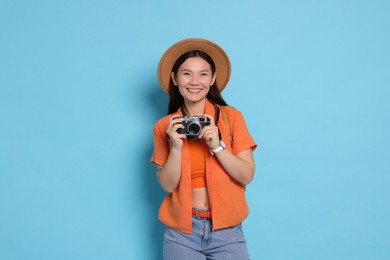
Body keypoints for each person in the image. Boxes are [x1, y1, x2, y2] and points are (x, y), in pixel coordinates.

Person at [151, 38, 257, 260]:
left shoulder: (232, 118)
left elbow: (246, 175)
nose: (194, 81)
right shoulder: (165, 127)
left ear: (213, 79)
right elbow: (168, 185)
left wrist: (218, 147)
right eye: (187, 73)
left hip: (227, 231)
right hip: (182, 232)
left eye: (203, 74)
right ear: (175, 78)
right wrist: (176, 147)